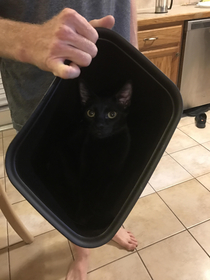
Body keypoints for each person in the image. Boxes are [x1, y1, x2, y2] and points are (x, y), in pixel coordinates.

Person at [0, 1, 138, 279]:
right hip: (40, 77)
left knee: (116, 171)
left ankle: (111, 223)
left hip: (116, 58)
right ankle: (81, 248)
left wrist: (136, 54)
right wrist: (27, 39)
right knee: (67, 178)